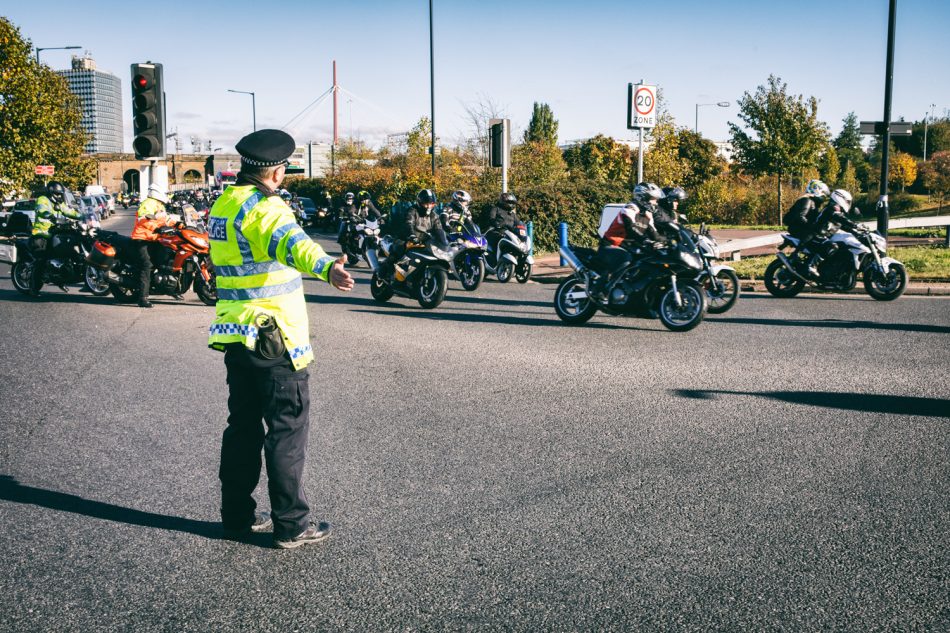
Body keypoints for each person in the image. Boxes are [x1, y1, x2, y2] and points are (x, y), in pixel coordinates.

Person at [208, 128, 354, 549]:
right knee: (286, 431)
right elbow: (294, 245)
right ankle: (290, 523)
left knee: (242, 429)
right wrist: (329, 269)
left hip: (236, 333)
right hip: (274, 338)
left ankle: (235, 515)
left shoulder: (224, 203)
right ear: (277, 171)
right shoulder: (267, 208)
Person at [590, 183, 665, 300]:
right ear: (643, 197)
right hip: (611, 245)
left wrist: (670, 242)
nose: (656, 202)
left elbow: (654, 234)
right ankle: (604, 289)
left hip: (628, 247)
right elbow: (631, 228)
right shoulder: (630, 208)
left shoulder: (647, 215)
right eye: (654, 199)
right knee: (625, 259)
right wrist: (645, 240)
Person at [377, 189, 445, 280]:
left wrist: (444, 242)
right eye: (426, 203)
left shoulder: (434, 216)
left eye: (431, 204)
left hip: (424, 241)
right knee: (399, 249)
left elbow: (439, 229)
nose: (429, 206)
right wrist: (412, 235)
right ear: (420, 202)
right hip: (405, 238)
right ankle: (383, 272)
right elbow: (408, 223)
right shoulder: (412, 211)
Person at [30, 181, 81, 294]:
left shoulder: (59, 203)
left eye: (60, 194)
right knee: (41, 260)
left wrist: (82, 215)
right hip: (42, 234)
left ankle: (62, 276)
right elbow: (42, 209)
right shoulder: (43, 199)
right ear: (50, 192)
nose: (58, 196)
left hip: (54, 232)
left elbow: (68, 211)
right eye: (57, 194)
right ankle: (34, 288)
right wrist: (49, 216)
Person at [130, 184, 175, 308]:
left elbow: (164, 220)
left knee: (165, 259)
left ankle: (169, 288)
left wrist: (178, 224)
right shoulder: (148, 203)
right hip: (142, 238)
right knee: (147, 265)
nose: (166, 195)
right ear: (158, 192)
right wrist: (156, 228)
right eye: (165, 193)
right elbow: (143, 218)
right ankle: (142, 298)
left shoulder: (160, 205)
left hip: (154, 239)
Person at [800, 188, 857, 275]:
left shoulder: (837, 210)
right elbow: (841, 218)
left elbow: (843, 225)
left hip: (822, 235)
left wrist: (857, 232)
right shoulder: (832, 208)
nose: (848, 204)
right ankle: (811, 265)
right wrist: (855, 225)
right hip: (816, 234)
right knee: (832, 246)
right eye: (847, 201)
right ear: (840, 198)